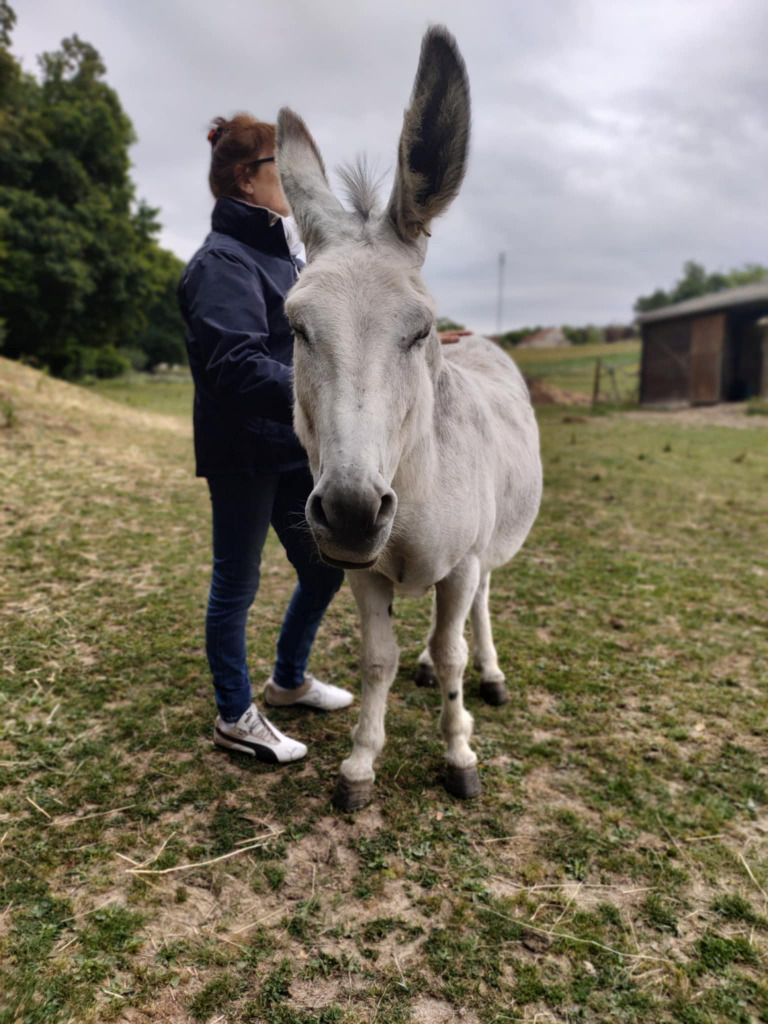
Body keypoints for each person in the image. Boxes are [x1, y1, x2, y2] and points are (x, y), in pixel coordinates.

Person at [178, 114, 352, 766]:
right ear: (248, 180)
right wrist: (324, 393)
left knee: (321, 567)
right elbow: (235, 366)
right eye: (286, 167)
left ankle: (287, 681)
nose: (301, 181)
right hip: (242, 453)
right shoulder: (221, 263)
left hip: (286, 445)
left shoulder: (282, 257)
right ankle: (233, 716)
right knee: (236, 583)